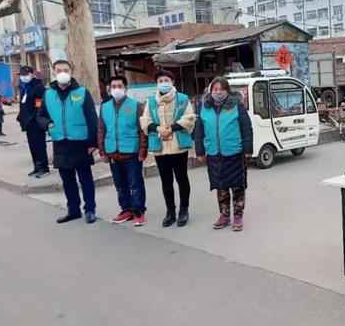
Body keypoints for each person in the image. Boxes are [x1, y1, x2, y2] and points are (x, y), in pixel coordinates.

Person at [37, 60, 99, 224]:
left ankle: (90, 210)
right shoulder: (48, 94)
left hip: (81, 142)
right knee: (67, 180)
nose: (62, 73)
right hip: (60, 142)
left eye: (65, 70)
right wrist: (47, 124)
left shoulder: (82, 92)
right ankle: (73, 210)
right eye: (59, 70)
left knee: (85, 179)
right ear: (54, 72)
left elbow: (92, 118)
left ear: (71, 72)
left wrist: (93, 143)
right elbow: (41, 116)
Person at [194, 77, 253, 232]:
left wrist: (248, 149)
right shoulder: (204, 107)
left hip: (234, 153)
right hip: (214, 154)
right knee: (221, 187)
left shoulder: (236, 106)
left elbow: (246, 128)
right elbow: (198, 131)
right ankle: (224, 215)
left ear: (227, 91)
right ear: (210, 91)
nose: (218, 92)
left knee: (237, 186)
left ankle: (238, 216)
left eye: (221, 89)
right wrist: (200, 150)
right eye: (215, 89)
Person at [140, 71, 195, 228]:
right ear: (157, 84)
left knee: (182, 178)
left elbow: (189, 118)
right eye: (160, 80)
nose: (163, 82)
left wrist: (171, 128)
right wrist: (158, 128)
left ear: (172, 82)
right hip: (160, 147)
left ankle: (184, 210)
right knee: (166, 181)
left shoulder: (182, 99)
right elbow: (145, 121)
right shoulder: (151, 101)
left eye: (166, 80)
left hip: (178, 146)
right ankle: (170, 211)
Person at [98, 76, 148, 227]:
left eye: (119, 86)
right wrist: (102, 152)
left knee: (135, 183)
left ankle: (138, 211)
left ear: (125, 88)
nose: (116, 89)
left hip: (131, 152)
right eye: (113, 86)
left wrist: (142, 150)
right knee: (120, 185)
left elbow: (142, 130)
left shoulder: (135, 105)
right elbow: (101, 130)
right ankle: (126, 209)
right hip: (113, 152)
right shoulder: (105, 107)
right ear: (109, 89)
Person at [17, 66, 49, 178]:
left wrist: (34, 118)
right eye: (21, 75)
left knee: (39, 145)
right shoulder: (24, 87)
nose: (23, 77)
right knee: (32, 146)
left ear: (31, 74)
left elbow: (39, 105)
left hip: (36, 122)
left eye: (25, 75)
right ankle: (36, 166)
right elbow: (23, 104)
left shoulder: (38, 86)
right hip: (28, 123)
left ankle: (43, 168)